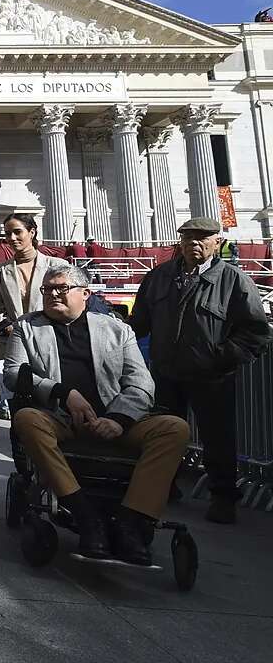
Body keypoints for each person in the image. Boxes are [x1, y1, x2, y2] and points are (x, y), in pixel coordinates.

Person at [6, 263, 189, 565]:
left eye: (61, 288)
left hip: (114, 420)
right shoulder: (27, 327)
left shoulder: (117, 329)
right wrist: (62, 393)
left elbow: (141, 383)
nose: (52, 294)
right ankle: (83, 513)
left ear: (85, 294)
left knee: (175, 428)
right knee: (26, 418)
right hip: (60, 419)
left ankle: (132, 521)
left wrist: (118, 419)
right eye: (47, 289)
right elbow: (14, 373)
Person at [130, 217, 272, 524]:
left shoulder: (234, 280)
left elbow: (256, 332)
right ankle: (163, 487)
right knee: (161, 434)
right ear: (179, 242)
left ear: (217, 242)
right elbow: (137, 325)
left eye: (203, 237)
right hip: (166, 373)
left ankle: (223, 497)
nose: (195, 242)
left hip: (213, 376)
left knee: (218, 439)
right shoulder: (158, 277)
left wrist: (222, 358)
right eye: (189, 237)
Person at [0, 213, 54, 418]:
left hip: (51, 344)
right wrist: (16, 332)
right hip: (13, 347)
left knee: (51, 406)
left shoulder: (57, 266)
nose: (12, 238)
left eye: (17, 232)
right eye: (7, 234)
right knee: (19, 409)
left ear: (32, 232)